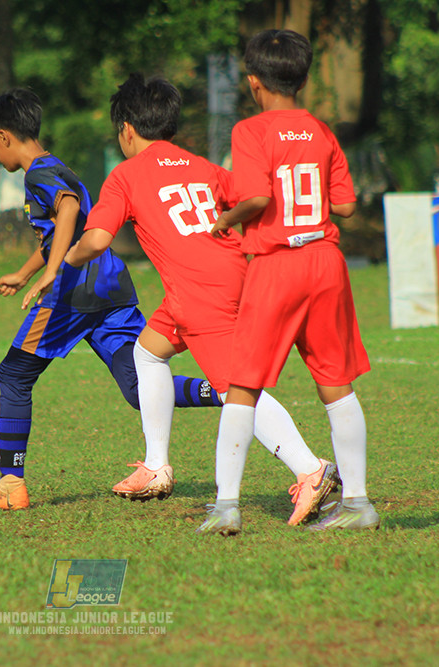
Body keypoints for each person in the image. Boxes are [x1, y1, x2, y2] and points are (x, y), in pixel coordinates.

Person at [64, 73, 338, 530]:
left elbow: (95, 240)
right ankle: (156, 467)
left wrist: (63, 263)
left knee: (238, 391)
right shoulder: (203, 167)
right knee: (148, 352)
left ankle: (311, 469)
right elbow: (256, 201)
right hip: (226, 280)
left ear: (126, 129)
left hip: (201, 295)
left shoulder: (126, 175)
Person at [0, 89, 226, 511]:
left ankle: (11, 484)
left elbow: (67, 212)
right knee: (141, 387)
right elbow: (63, 229)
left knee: (13, 375)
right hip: (110, 289)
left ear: (4, 136)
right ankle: (228, 394)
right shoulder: (57, 167)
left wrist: (50, 274)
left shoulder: (38, 174)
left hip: (72, 294)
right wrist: (26, 271)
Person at [207, 29, 377, 534]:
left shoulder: (251, 130)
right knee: (336, 384)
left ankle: (226, 507)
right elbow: (345, 205)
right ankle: (357, 503)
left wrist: (225, 219)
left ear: (254, 82)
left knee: (242, 386)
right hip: (325, 259)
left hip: (277, 264)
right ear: (302, 79)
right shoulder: (322, 131)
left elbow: (257, 198)